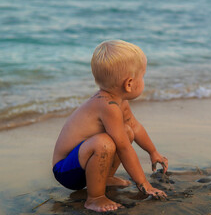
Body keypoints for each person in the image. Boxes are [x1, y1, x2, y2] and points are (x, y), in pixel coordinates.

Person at [52, 40, 168, 212]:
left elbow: (134, 128)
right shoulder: (107, 106)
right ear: (129, 84)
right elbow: (123, 148)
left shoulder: (118, 102)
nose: (144, 80)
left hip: (82, 163)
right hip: (67, 171)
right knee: (104, 143)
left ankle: (104, 178)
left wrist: (153, 151)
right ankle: (95, 198)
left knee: (126, 131)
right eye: (142, 76)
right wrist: (144, 184)